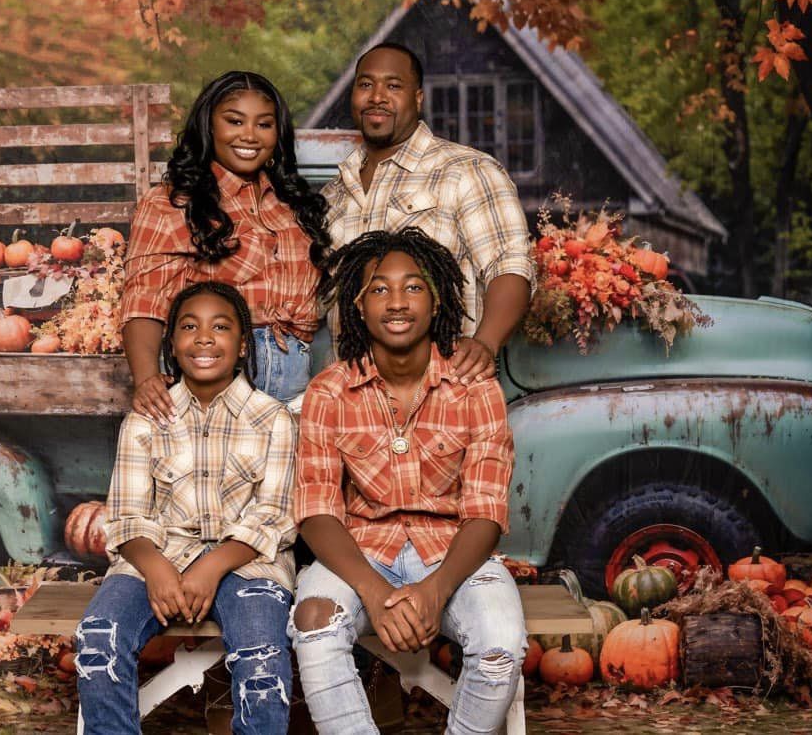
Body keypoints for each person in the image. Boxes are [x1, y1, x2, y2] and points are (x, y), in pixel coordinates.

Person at [290, 228, 525, 735]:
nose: (397, 302)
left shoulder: (475, 388)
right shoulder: (329, 391)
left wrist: (436, 590)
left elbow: (486, 510)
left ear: (438, 301)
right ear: (357, 306)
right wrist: (374, 592)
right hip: (360, 551)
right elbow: (316, 509)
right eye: (379, 289)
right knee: (313, 623)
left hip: (453, 552)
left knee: (501, 644)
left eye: (413, 287)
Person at [76, 281, 297, 735]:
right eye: (189, 327)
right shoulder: (146, 419)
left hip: (248, 565)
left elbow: (275, 516)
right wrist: (156, 569)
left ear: (240, 347)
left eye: (221, 327)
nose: (203, 338)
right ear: (172, 346)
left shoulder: (273, 418)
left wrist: (211, 567)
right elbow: (127, 515)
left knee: (262, 662)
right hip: (156, 557)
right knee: (98, 640)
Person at [323, 41, 534, 384]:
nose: (377, 96)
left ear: (418, 98)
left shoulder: (466, 170)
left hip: (445, 398)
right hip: (354, 406)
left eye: (393, 86)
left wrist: (485, 342)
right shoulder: (333, 194)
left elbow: (509, 265)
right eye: (365, 84)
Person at [124, 70, 330, 421]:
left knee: (286, 475)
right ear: (209, 125)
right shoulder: (172, 203)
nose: (249, 135)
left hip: (296, 384)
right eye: (235, 121)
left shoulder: (292, 205)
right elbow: (144, 299)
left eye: (264, 124)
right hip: (219, 377)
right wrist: (145, 378)